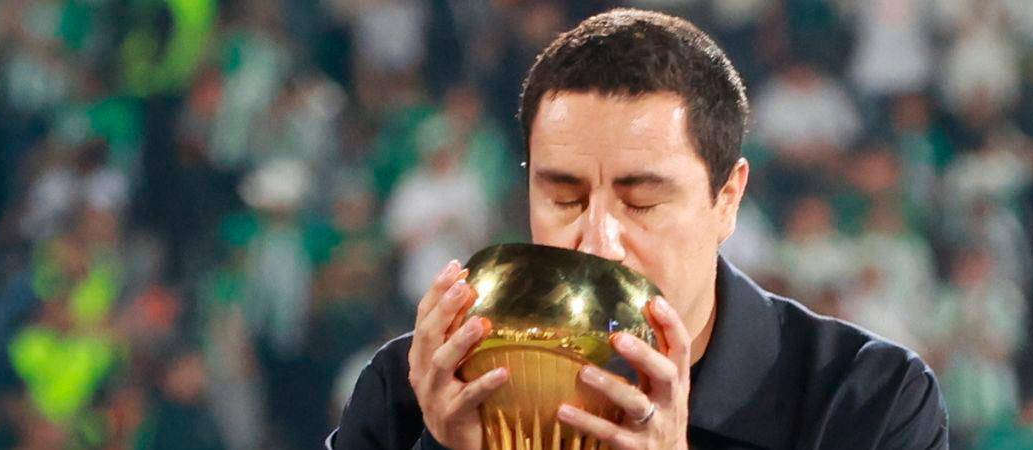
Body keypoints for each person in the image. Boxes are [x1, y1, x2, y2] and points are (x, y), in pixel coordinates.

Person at [329, 9, 948, 450]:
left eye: (643, 203)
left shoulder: (868, 400)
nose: (597, 241)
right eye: (564, 198)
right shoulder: (412, 392)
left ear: (727, 198)